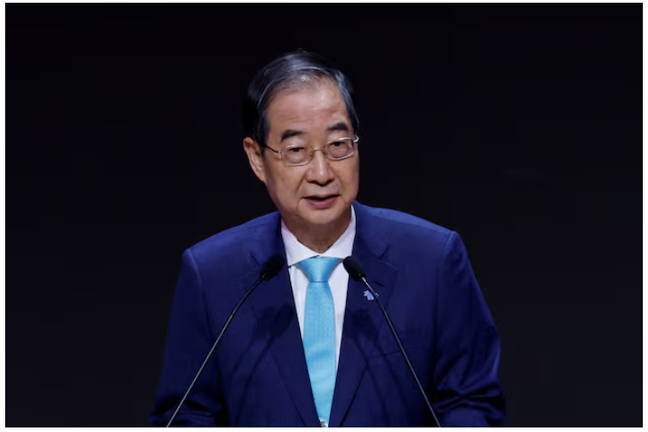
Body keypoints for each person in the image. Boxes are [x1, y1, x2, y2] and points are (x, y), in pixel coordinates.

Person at [150, 51, 505, 427]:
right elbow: (187, 415)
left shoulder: (432, 259)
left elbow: (472, 401)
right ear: (256, 158)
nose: (321, 173)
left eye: (338, 145)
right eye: (296, 151)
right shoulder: (211, 274)